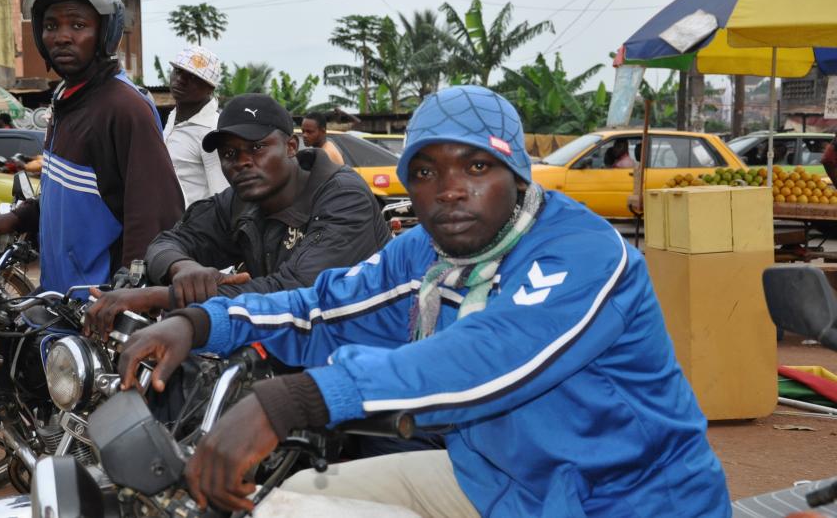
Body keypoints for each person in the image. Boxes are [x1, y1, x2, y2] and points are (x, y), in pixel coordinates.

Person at [117, 86, 731, 518]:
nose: (452, 190)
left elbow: (488, 356)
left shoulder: (581, 250)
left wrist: (292, 400)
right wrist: (200, 322)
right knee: (294, 505)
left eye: (476, 165)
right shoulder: (426, 252)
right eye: (428, 171)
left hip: (625, 499)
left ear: (517, 175)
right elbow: (325, 306)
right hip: (496, 481)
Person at [0, 0, 184, 293]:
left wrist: (129, 290)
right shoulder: (64, 98)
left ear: (104, 33)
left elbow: (155, 212)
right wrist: (17, 218)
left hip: (99, 305)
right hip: (59, 298)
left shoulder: (124, 107)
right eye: (51, 26)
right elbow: (69, 196)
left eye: (78, 25)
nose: (62, 37)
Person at [86, 93, 390, 326]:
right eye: (230, 153)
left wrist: (160, 297)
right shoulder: (240, 201)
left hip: (373, 353)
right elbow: (167, 242)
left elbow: (293, 292)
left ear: (291, 147)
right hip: (291, 342)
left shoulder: (343, 196)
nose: (242, 162)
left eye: (257, 147)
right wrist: (184, 268)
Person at [163, 45, 230, 208]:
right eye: (178, 71)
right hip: (169, 227)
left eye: (192, 77)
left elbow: (221, 196)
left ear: (210, 88)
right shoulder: (173, 116)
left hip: (194, 229)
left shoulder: (213, 130)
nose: (181, 80)